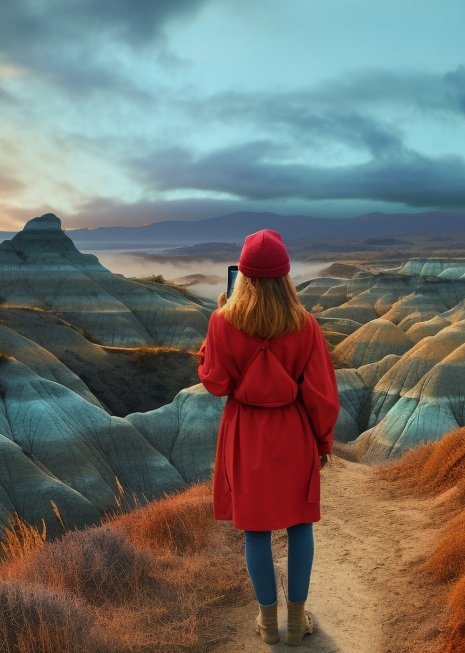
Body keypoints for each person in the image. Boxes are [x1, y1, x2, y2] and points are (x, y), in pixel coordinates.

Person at [197, 229, 340, 647]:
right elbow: (322, 395)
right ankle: (296, 622)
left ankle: (267, 624)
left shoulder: (223, 322)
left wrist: (215, 330)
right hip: (293, 433)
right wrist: (323, 443)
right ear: (285, 277)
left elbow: (215, 381)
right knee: (299, 526)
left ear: (242, 276)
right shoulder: (305, 325)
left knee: (255, 531)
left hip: (245, 434)